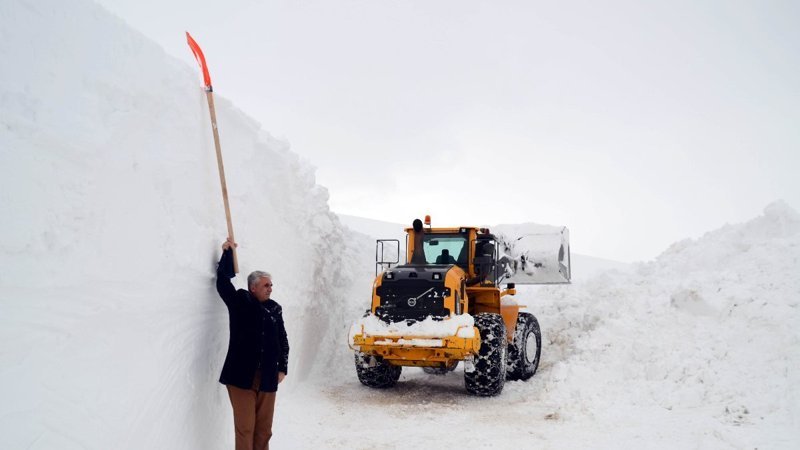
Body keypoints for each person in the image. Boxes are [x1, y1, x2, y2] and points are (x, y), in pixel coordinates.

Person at [216, 238, 289, 450]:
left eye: (271, 285)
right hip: (241, 377)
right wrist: (227, 254)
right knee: (245, 428)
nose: (270, 289)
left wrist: (282, 367)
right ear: (253, 287)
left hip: (267, 377)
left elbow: (283, 340)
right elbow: (223, 283)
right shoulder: (240, 302)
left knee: (264, 430)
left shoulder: (275, 309)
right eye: (266, 285)